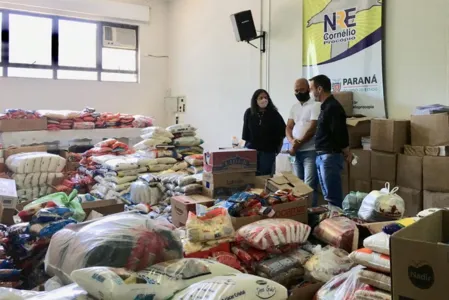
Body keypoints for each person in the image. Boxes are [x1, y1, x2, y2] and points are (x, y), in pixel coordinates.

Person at [309, 74, 352, 208]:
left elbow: (340, 133)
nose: (311, 92)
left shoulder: (333, 107)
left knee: (333, 197)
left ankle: (338, 225)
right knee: (328, 196)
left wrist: (346, 151)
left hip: (330, 156)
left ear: (320, 89)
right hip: (323, 155)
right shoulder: (324, 106)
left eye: (311, 89)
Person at [286, 78, 321, 206]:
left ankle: (311, 214)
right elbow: (288, 127)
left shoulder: (316, 105)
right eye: (296, 91)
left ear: (308, 89)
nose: (299, 93)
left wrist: (297, 144)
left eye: (301, 90)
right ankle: (301, 213)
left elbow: (313, 129)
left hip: (310, 151)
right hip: (296, 152)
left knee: (309, 185)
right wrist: (291, 141)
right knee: (298, 185)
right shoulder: (294, 107)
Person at [242, 89, 286, 176]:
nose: (264, 100)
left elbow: (282, 132)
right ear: (255, 100)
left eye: (266, 97)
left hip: (268, 152)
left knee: (264, 176)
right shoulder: (249, 113)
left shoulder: (274, 114)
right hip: (251, 150)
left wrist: (278, 149)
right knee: (250, 175)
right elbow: (246, 133)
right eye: (261, 98)